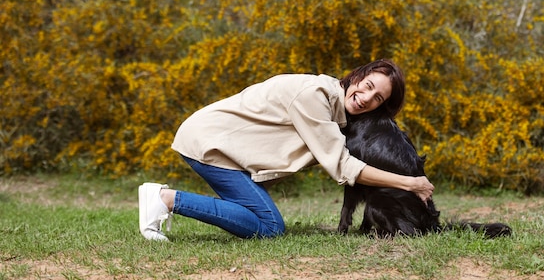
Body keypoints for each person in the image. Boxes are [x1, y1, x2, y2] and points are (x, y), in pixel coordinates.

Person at [138, 59, 435, 241]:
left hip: (218, 146)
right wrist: (411, 183)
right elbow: (343, 167)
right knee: (269, 226)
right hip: (207, 142)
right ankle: (165, 198)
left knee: (257, 215)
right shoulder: (315, 96)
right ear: (356, 76)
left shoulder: (333, 110)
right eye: (367, 85)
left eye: (378, 98)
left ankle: (165, 200)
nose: (366, 97)